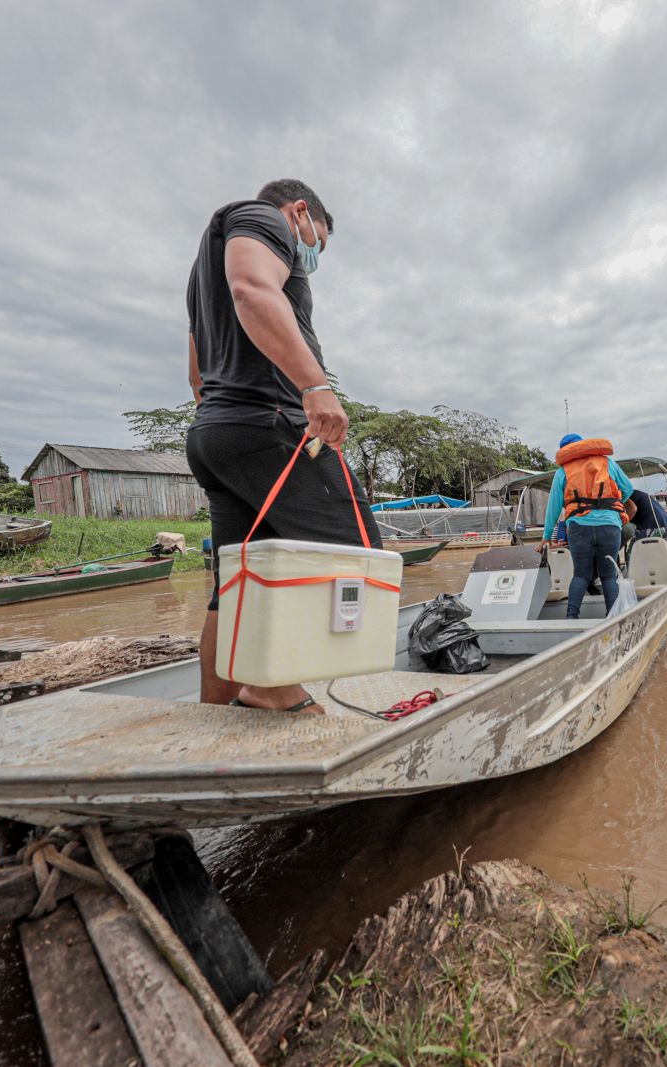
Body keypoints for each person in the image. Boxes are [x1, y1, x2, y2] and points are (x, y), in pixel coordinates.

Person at [184, 178, 381, 712]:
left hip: (217, 432)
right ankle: (270, 687)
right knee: (358, 555)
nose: (313, 254)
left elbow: (196, 373)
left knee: (238, 584)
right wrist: (314, 386)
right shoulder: (261, 219)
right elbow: (252, 288)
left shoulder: (201, 277)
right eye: (318, 240)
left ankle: (217, 709)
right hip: (271, 425)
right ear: (299, 212)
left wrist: (229, 420)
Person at [543, 433, 633, 617]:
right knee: (608, 575)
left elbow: (553, 508)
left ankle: (571, 617)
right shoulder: (607, 463)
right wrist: (612, 506)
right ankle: (613, 618)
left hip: (578, 527)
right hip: (609, 525)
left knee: (581, 575)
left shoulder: (563, 472)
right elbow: (628, 489)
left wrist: (546, 537)